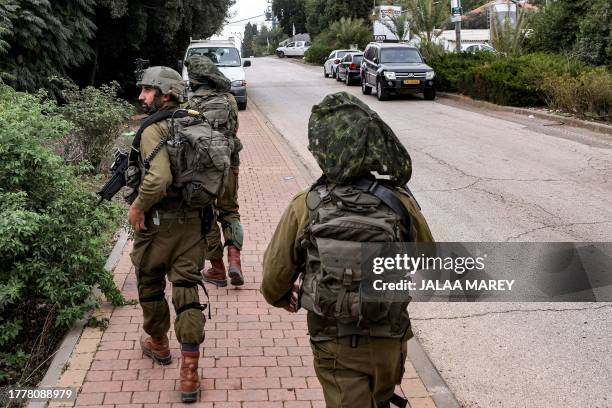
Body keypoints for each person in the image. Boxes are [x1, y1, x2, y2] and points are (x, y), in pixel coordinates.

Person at [261, 92, 434, 408]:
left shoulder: (306, 205)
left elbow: (273, 283)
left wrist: (288, 296)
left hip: (334, 345)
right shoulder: (399, 203)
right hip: (389, 342)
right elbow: (428, 260)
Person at [129, 66, 206, 403]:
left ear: (166, 93)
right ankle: (190, 372)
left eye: (148, 90)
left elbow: (158, 179)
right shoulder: (197, 121)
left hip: (158, 220)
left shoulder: (153, 129)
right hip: (193, 221)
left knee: (149, 278)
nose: (141, 96)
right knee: (187, 287)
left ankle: (159, 344)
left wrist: (138, 207)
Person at [184, 55, 245, 287]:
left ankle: (217, 269)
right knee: (230, 211)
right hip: (229, 162)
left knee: (205, 214)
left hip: (203, 169)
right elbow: (234, 128)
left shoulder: (189, 105)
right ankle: (235, 262)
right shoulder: (229, 99)